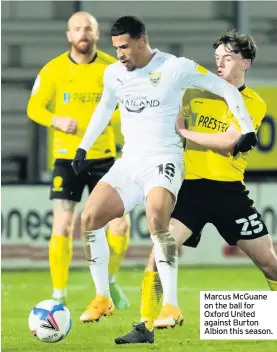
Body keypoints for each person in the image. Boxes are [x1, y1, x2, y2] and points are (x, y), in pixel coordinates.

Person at [71, 17, 256, 339]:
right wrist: (83, 148)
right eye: (115, 48)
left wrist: (248, 129)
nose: (119, 54)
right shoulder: (113, 73)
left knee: (157, 218)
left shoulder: (175, 67)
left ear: (142, 40)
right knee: (89, 217)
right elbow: (104, 107)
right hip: (130, 161)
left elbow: (226, 88)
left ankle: (170, 304)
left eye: (125, 47)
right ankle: (102, 297)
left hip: (164, 158)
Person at [124, 30, 277, 342]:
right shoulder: (194, 91)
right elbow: (171, 121)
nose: (220, 63)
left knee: (270, 264)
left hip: (229, 193)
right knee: (158, 252)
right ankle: (145, 327)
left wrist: (187, 132)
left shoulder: (253, 103)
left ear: (245, 63)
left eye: (228, 58)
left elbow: (228, 142)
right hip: (191, 190)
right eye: (217, 57)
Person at [27, 11, 130, 310]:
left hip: (104, 158)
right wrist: (55, 119)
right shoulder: (53, 70)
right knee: (62, 225)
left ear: (97, 35)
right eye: (77, 29)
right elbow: (34, 108)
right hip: (66, 157)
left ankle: (109, 283)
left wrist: (109, 119)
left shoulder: (114, 69)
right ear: (69, 36)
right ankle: (58, 294)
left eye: (89, 28)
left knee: (120, 226)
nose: (83, 33)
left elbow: (130, 105)